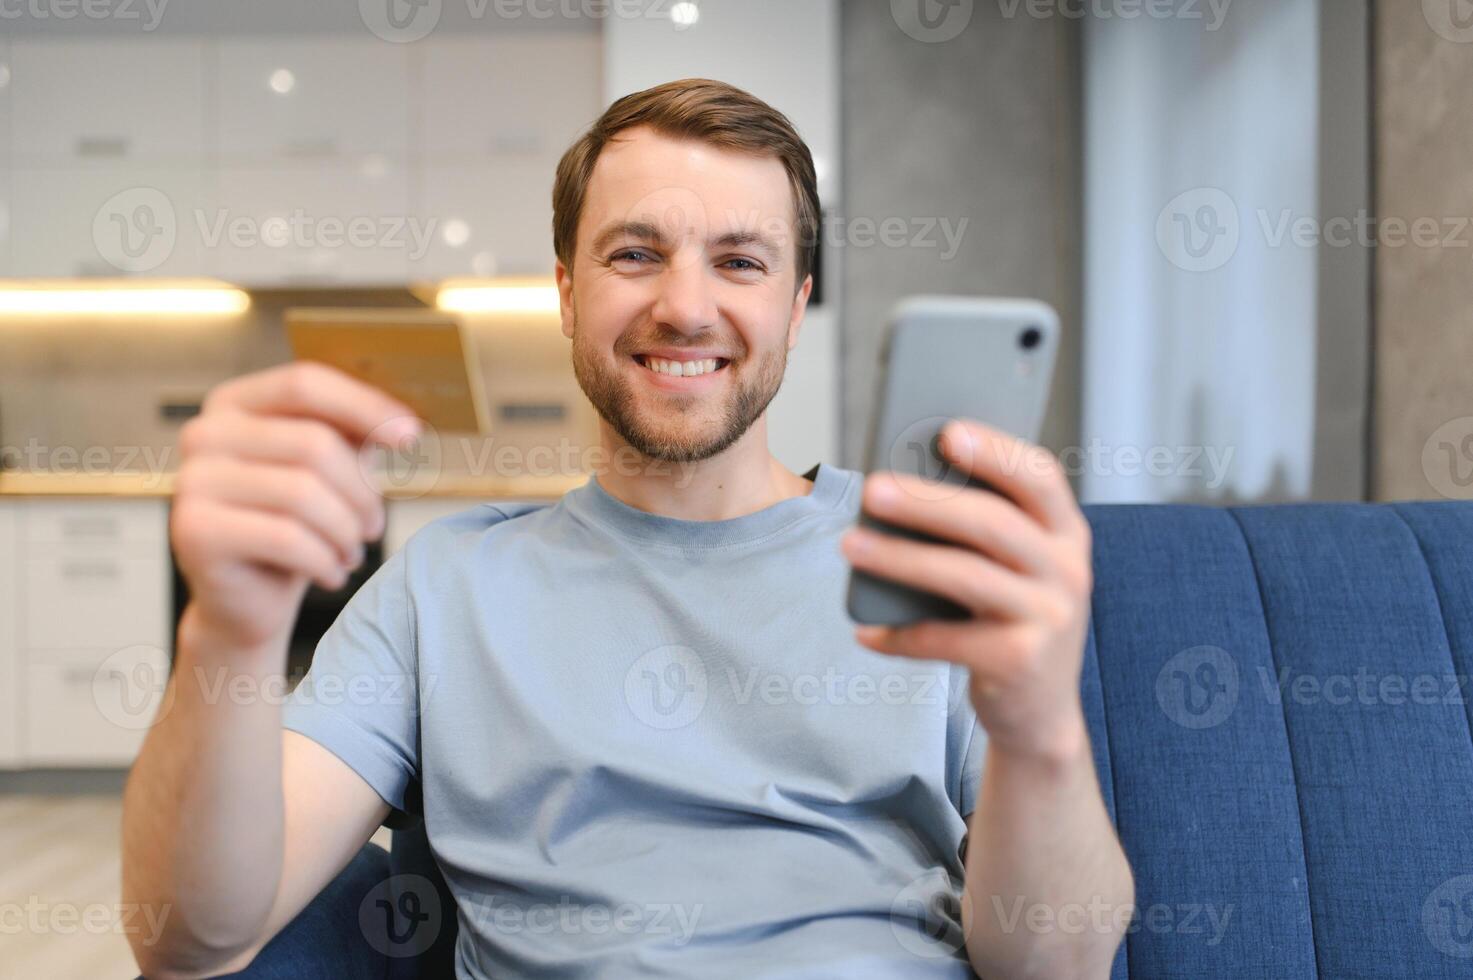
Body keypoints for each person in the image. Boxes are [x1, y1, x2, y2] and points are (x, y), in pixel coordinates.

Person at [122, 77, 1132, 979]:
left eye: (741, 260)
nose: (685, 307)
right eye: (636, 252)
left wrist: (1040, 730)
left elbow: (1058, 964)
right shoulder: (448, 583)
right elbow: (192, 936)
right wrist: (229, 628)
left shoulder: (933, 554)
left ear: (795, 304)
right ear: (567, 292)